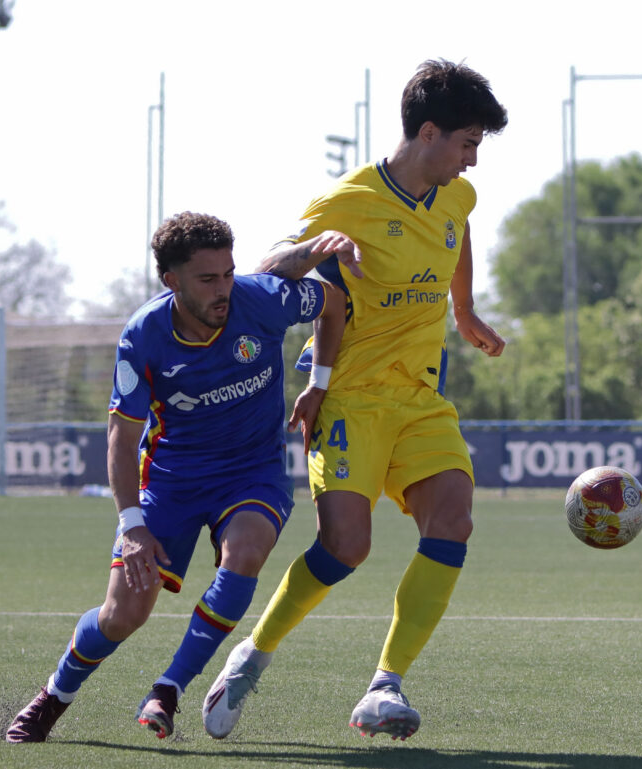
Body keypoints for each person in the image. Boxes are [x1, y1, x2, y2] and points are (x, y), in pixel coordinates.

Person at [202, 58, 508, 741]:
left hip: (421, 398)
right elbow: (265, 270)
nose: (472, 162)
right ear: (428, 133)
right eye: (467, 144)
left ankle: (384, 685)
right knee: (345, 545)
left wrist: (463, 309)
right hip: (349, 397)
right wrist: (315, 247)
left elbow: (457, 237)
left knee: (452, 518)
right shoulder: (352, 200)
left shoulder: (456, 196)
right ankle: (251, 655)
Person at [5, 211, 354, 742]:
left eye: (229, 273)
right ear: (171, 281)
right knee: (123, 615)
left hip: (252, 472)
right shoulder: (143, 336)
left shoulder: (261, 299)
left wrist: (319, 383)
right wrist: (132, 524)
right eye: (207, 279)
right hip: (172, 479)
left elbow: (333, 301)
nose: (224, 290)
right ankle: (54, 695)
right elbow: (122, 438)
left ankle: (168, 688)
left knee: (246, 554)